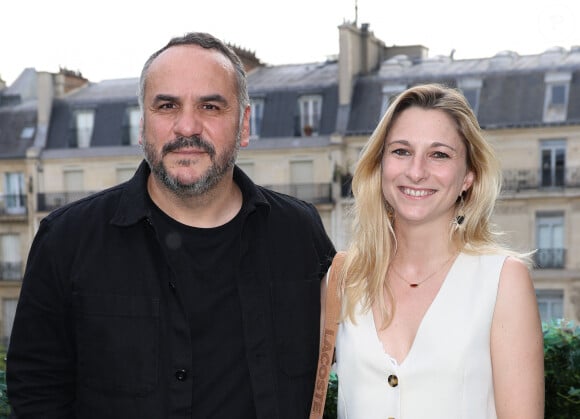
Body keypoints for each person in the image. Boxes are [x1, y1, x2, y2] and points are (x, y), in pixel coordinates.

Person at [7, 32, 335, 419]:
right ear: (143, 123)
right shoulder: (67, 240)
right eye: (167, 106)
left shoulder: (298, 234)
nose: (187, 127)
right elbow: (36, 390)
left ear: (244, 124)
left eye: (210, 106)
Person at [330, 83, 544, 418]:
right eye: (401, 151)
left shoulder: (502, 280)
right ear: (380, 164)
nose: (416, 172)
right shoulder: (343, 278)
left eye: (439, 154)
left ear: (468, 177)